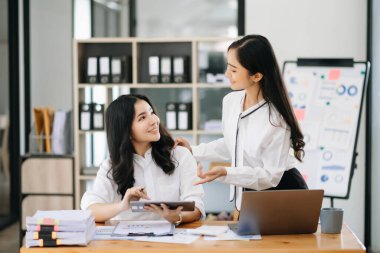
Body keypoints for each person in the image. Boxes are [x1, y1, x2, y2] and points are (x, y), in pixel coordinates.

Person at [176, 35, 308, 210]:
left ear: (256, 76)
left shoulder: (276, 119)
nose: (226, 74)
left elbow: (270, 176)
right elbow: (233, 143)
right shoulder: (231, 101)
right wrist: (193, 150)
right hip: (251, 192)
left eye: (234, 69)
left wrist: (226, 172)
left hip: (283, 193)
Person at [81, 94, 204, 224]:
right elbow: (91, 209)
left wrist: (177, 217)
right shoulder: (112, 165)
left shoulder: (181, 155)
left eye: (151, 112)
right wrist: (122, 206)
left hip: (172, 239)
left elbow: (197, 207)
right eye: (142, 118)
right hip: (126, 242)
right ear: (126, 131)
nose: (154, 120)